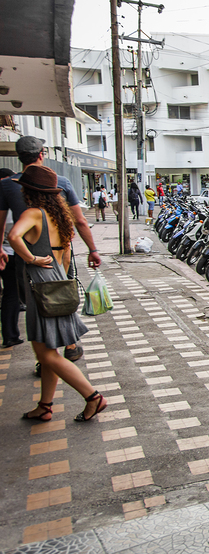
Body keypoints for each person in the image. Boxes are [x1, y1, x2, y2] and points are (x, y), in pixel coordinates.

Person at [9, 165, 107, 423]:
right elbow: (64, 258)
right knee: (49, 348)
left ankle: (93, 397)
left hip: (41, 285)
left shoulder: (33, 213)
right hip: (58, 283)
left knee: (46, 354)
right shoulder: (59, 217)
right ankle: (45, 405)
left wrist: (30, 258)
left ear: (29, 191)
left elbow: (13, 236)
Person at [0, 136, 101, 365]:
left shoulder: (7, 185)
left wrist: (13, 252)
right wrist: (92, 249)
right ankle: (67, 345)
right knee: (61, 295)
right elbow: (80, 221)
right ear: (42, 154)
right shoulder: (60, 181)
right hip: (60, 254)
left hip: (28, 259)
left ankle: (47, 355)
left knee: (38, 303)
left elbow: (4, 225)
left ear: (19, 156)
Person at [0, 168, 22, 349]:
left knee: (10, 294)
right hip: (15, 254)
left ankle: (9, 335)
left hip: (5, 253)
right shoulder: (13, 204)